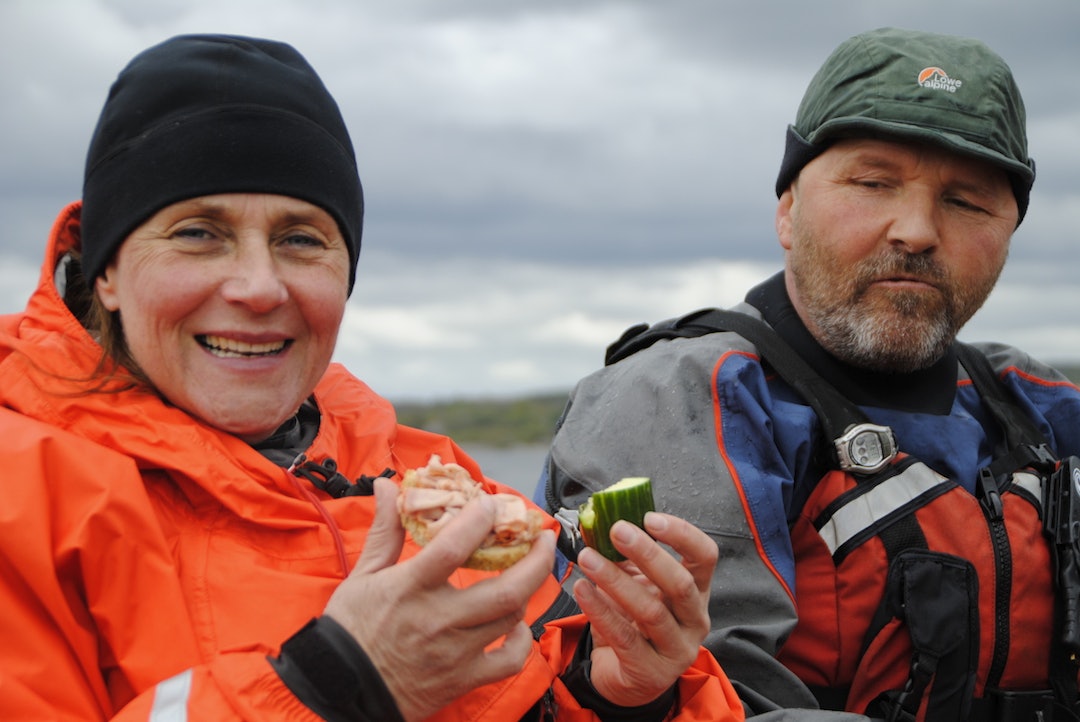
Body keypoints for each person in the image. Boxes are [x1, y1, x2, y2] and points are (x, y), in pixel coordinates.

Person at [0, 34, 745, 721]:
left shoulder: (436, 481)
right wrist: (337, 684)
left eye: (301, 239)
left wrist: (622, 694)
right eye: (198, 233)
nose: (259, 287)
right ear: (105, 274)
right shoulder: (23, 497)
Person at [537, 27, 1080, 721]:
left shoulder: (1037, 403)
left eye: (967, 200)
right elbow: (720, 696)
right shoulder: (681, 396)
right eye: (872, 182)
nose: (915, 230)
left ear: (1008, 232)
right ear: (788, 211)